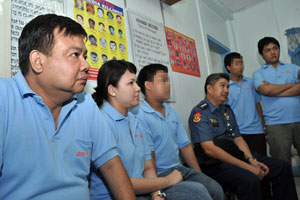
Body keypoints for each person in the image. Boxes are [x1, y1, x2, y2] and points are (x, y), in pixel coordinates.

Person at [0, 14, 135, 200]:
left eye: (85, 56)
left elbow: (111, 165)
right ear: (38, 61)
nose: (87, 65)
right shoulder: (4, 98)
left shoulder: (86, 104)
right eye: (75, 55)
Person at [90, 60, 213, 200]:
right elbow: (121, 183)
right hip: (116, 195)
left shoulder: (134, 119)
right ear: (112, 90)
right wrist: (168, 181)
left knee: (199, 190)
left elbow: (148, 167)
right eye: (131, 83)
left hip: (144, 191)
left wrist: (157, 194)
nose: (137, 88)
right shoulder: (101, 122)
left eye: (136, 82)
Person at [189, 73, 298, 200]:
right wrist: (248, 167)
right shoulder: (200, 112)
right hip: (215, 162)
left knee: (281, 167)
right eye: (222, 86)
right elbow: (209, 149)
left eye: (228, 87)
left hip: (235, 153)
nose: (226, 90)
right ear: (210, 88)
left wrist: (252, 161)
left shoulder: (226, 110)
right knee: (250, 179)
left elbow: (238, 138)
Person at [136, 64, 224, 200]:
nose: (168, 85)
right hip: (159, 174)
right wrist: (156, 190)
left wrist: (199, 175)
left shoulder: (172, 113)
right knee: (199, 193)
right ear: (148, 85)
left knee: (214, 188)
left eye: (168, 80)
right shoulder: (140, 115)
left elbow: (185, 146)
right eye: (163, 80)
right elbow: (149, 158)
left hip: (178, 168)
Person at [253, 37, 300, 164]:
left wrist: (274, 88)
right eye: (268, 50)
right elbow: (266, 91)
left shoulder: (293, 68)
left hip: (299, 120)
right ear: (262, 55)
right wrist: (291, 85)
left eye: (275, 48)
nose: (273, 52)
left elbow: (271, 91)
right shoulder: (258, 74)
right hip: (276, 125)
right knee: (282, 165)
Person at [225, 52, 266, 155]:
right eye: (237, 64)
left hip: (256, 130)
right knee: (244, 165)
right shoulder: (226, 87)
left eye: (242, 63)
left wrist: (263, 124)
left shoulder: (251, 82)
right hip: (237, 133)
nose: (241, 67)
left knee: (262, 162)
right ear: (228, 67)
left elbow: (257, 104)